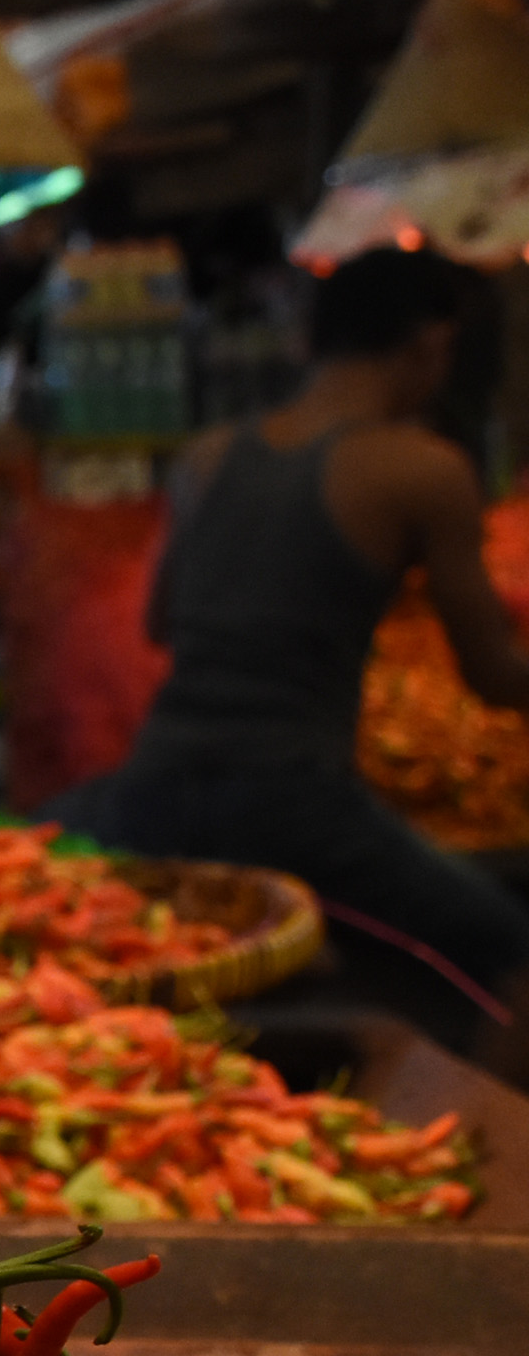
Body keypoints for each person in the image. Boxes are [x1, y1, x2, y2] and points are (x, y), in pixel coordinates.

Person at [50, 246, 529, 1018]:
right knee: (514, 956)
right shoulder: (424, 471)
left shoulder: (206, 456)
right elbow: (492, 674)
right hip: (295, 800)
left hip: (155, 783)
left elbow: (160, 622)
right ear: (432, 345)